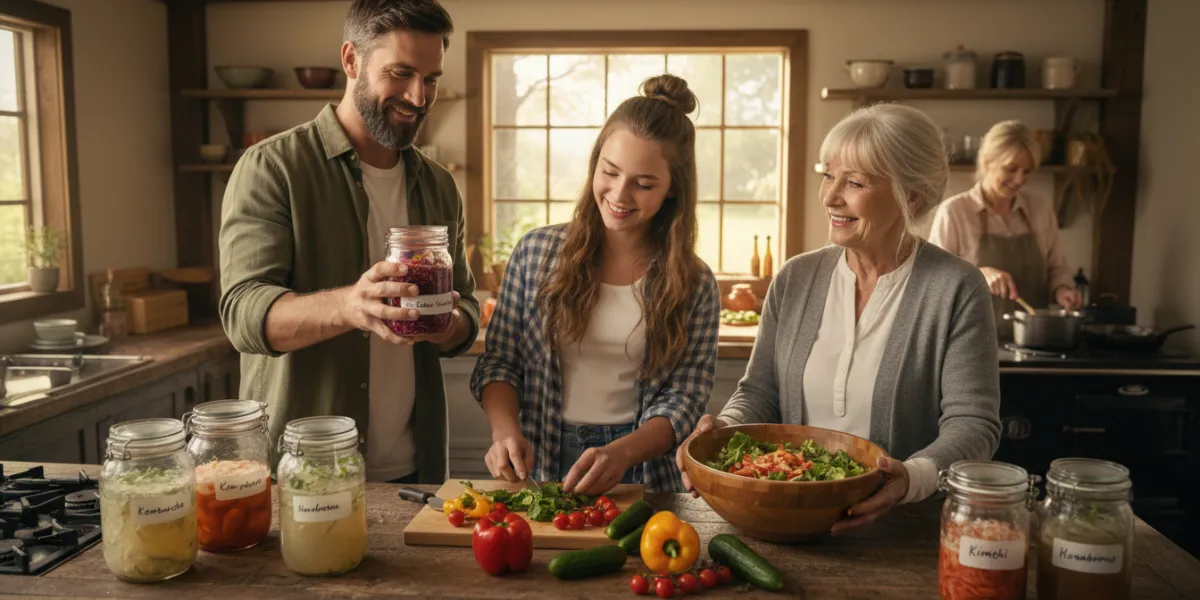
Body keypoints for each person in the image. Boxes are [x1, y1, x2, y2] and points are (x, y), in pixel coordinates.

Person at [676, 104, 1002, 534]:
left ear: (912, 196)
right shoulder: (796, 278)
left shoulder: (956, 288)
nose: (830, 196)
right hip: (784, 525)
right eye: (828, 175)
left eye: (854, 182)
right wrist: (726, 427)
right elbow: (760, 393)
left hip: (901, 534)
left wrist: (911, 478)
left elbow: (974, 424)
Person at [218, 0, 479, 485]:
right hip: (304, 474)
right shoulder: (273, 169)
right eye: (400, 73)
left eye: (432, 79)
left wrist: (445, 323)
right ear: (351, 60)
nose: (418, 96)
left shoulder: (439, 185)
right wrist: (350, 307)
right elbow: (243, 314)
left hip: (415, 473)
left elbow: (465, 309)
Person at [471, 74, 721, 495]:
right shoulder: (535, 254)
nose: (620, 194)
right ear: (595, 165)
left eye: (644, 184)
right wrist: (504, 433)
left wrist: (623, 452)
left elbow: (685, 397)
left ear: (673, 190)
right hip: (541, 459)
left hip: (640, 469)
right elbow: (500, 362)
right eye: (610, 172)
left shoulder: (694, 283)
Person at [929, 120, 1082, 339]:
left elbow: (1056, 268)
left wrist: (1063, 290)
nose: (1020, 180)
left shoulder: (1040, 210)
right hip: (969, 343)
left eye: (1027, 171)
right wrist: (978, 274)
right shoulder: (955, 212)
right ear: (987, 161)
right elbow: (934, 282)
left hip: (1033, 341)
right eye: (1011, 169)